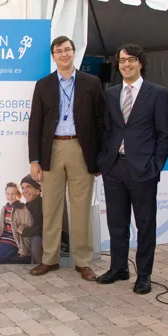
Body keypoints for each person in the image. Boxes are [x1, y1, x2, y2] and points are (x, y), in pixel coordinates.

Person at [96, 44, 168, 295]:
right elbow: (107, 130)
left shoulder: (157, 93)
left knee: (145, 224)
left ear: (141, 62)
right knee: (116, 223)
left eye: (130, 60)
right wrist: (104, 160)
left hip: (143, 171)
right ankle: (119, 268)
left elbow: (164, 135)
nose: (125, 64)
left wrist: (155, 166)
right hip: (115, 168)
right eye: (121, 61)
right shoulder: (111, 94)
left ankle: (144, 275)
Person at [27, 35, 105, 280]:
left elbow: (101, 122)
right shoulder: (44, 85)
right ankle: (49, 259)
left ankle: (83, 261)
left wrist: (99, 156)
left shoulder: (92, 83)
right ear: (53, 56)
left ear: (74, 52)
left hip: (81, 149)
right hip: (53, 150)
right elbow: (35, 124)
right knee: (50, 207)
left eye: (67, 49)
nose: (64, 54)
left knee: (81, 206)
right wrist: (34, 159)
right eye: (59, 51)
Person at [18, 175, 43, 264]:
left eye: (28, 187)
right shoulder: (26, 206)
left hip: (42, 237)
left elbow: (43, 229)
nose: (25, 191)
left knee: (36, 242)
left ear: (37, 190)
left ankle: (39, 267)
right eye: (23, 188)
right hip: (30, 237)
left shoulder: (42, 204)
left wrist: (25, 231)